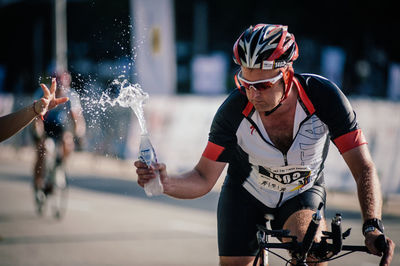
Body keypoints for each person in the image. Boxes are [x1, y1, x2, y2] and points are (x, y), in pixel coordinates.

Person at [135, 24, 395, 265]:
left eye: (263, 85)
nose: (253, 94)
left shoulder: (325, 98)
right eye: (246, 84)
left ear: (287, 74)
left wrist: (372, 225)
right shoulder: (233, 111)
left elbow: (363, 168)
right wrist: (165, 182)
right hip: (246, 193)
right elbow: (203, 177)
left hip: (301, 192)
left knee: (311, 252)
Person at [32, 71, 86, 194]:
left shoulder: (71, 96)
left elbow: (77, 119)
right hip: (43, 123)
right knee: (43, 150)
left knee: (68, 141)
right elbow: (36, 119)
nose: (60, 90)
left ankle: (59, 167)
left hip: (59, 126)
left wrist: (79, 135)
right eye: (58, 86)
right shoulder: (42, 93)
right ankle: (38, 183)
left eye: (63, 87)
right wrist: (39, 134)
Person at [0, 78, 69, 143]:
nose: (60, 88)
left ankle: (61, 155)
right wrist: (36, 110)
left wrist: (35, 109)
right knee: (42, 143)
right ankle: (40, 144)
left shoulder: (70, 95)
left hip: (58, 125)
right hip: (43, 123)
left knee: (67, 140)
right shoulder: (42, 92)